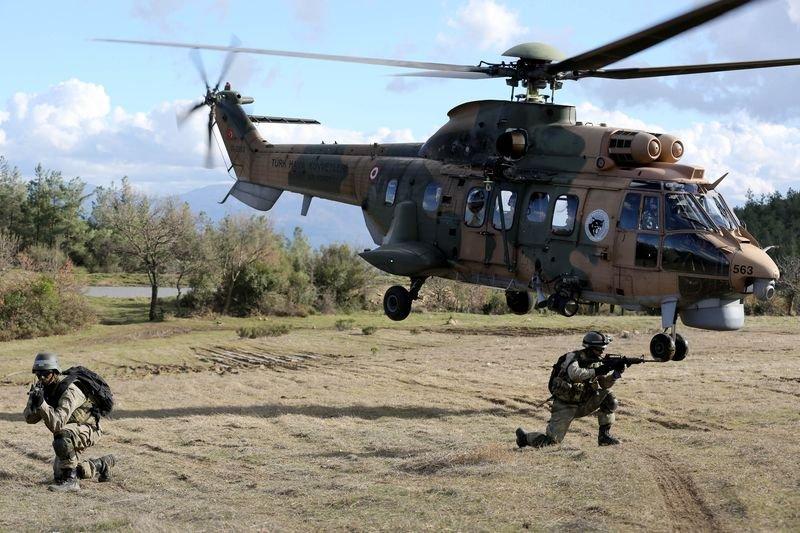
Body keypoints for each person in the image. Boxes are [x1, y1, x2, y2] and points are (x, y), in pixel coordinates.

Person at [24, 352, 115, 492]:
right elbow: (29, 419)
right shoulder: (45, 389)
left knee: (61, 435)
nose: (41, 378)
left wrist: (42, 404)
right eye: (38, 374)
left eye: (46, 374)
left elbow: (57, 425)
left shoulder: (70, 390)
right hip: (72, 430)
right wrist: (34, 402)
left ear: (54, 372)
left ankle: (71, 482)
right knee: (60, 474)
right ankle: (101, 465)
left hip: (88, 428)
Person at [516, 331, 621, 448]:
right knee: (551, 442)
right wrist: (598, 370)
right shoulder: (573, 357)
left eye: (603, 349)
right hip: (565, 406)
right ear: (590, 348)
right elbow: (574, 374)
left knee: (609, 397)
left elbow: (604, 384)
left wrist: (615, 375)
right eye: (599, 349)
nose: (602, 352)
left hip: (584, 403)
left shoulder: (597, 361)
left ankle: (604, 437)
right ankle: (524, 437)